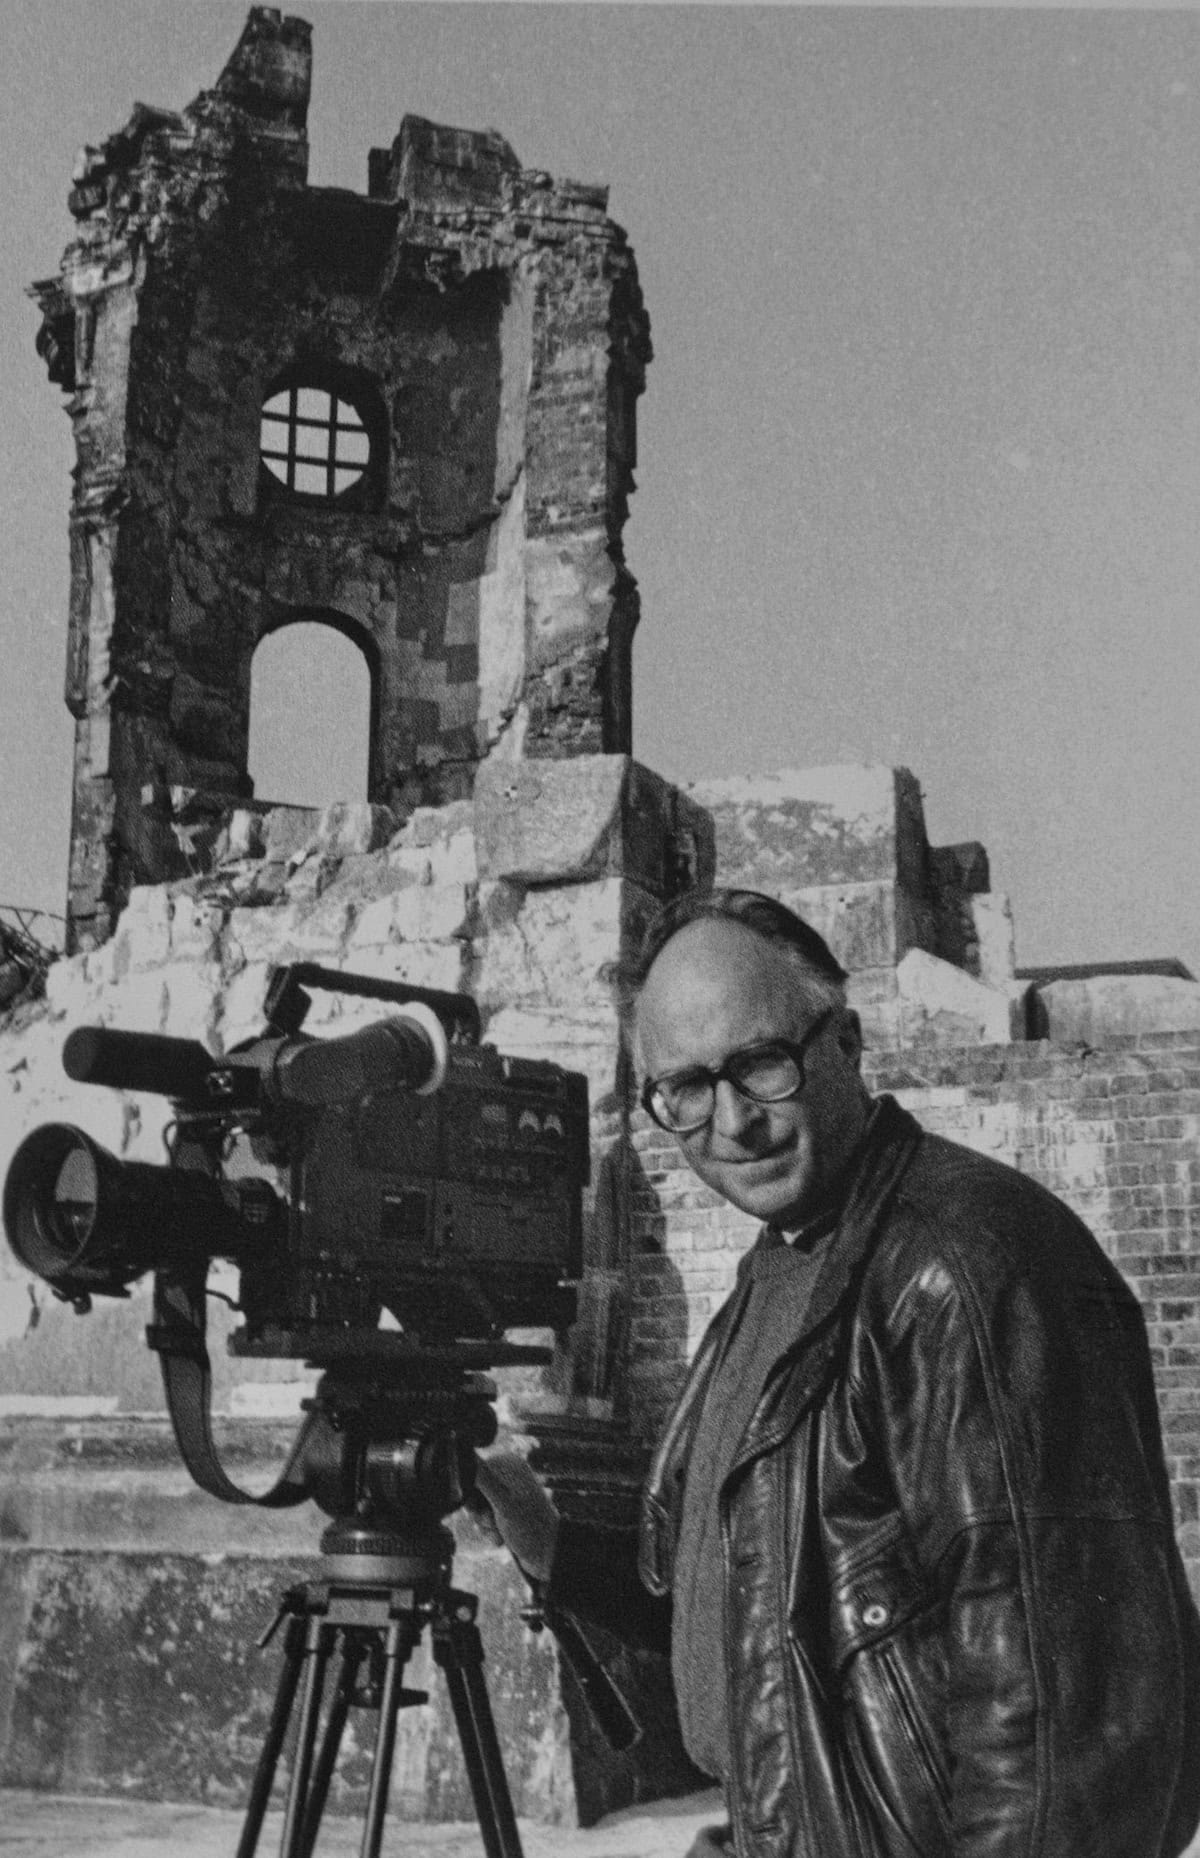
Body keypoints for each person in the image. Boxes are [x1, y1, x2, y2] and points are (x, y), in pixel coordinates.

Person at [476, 887, 1200, 1857]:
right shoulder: (777, 1271)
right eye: (685, 1087)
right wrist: (547, 1536)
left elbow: (1074, 1736)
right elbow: (742, 1605)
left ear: (847, 1044)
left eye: (761, 1064)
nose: (732, 1121)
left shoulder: (969, 1267)